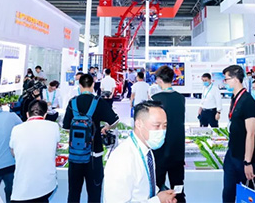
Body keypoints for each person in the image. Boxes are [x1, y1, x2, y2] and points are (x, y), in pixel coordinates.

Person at [103, 101, 177, 203]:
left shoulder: (147, 151)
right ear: (139, 124)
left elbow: (144, 187)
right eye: (156, 125)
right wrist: (157, 200)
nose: (162, 131)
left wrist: (162, 196)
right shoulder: (122, 159)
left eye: (165, 126)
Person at [63, 74, 119, 203]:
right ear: (93, 85)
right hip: (94, 154)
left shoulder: (72, 102)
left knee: (73, 193)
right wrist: (105, 127)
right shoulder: (99, 102)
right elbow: (115, 120)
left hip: (75, 155)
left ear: (80, 85)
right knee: (94, 193)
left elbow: (66, 128)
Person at [222, 65, 255, 203]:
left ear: (235, 79)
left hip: (245, 158)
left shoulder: (248, 101)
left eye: (226, 79)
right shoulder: (235, 98)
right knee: (228, 193)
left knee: (248, 196)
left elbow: (251, 133)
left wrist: (247, 162)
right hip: (232, 153)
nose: (225, 83)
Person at [10, 100, 60, 202]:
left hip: (23, 187)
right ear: (45, 114)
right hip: (47, 185)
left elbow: (13, 152)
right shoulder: (54, 127)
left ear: (27, 114)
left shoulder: (16, 129)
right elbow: (55, 148)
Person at [152, 66, 186, 202]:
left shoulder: (155, 98)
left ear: (159, 80)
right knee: (178, 188)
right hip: (177, 151)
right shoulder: (180, 98)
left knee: (156, 188)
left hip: (160, 150)